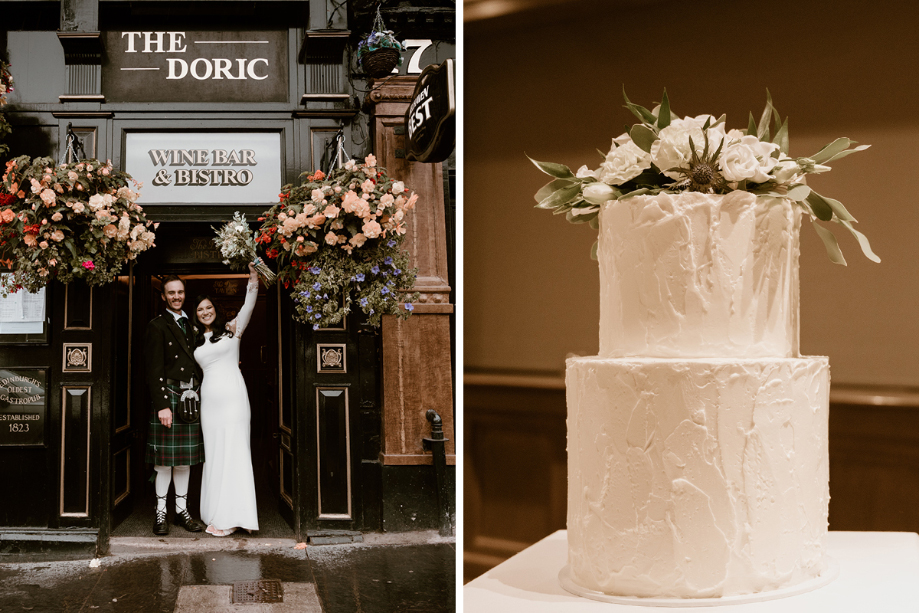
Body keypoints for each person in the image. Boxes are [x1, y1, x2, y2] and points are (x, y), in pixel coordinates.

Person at [193, 262, 260, 536]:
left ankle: (235, 517)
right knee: (215, 456)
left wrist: (253, 278)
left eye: (208, 307)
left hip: (234, 400)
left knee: (235, 452)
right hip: (209, 404)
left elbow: (248, 306)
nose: (205, 312)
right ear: (195, 314)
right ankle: (216, 511)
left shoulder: (232, 329)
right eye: (200, 309)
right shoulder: (194, 340)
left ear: (215, 309)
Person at [145, 275, 205, 535]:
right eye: (171, 293)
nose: (176, 296)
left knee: (183, 461)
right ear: (163, 296)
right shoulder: (157, 326)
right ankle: (160, 512)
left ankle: (181, 511)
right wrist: (162, 405)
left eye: (180, 292)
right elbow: (153, 369)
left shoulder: (192, 325)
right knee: (163, 462)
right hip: (169, 397)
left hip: (189, 398)